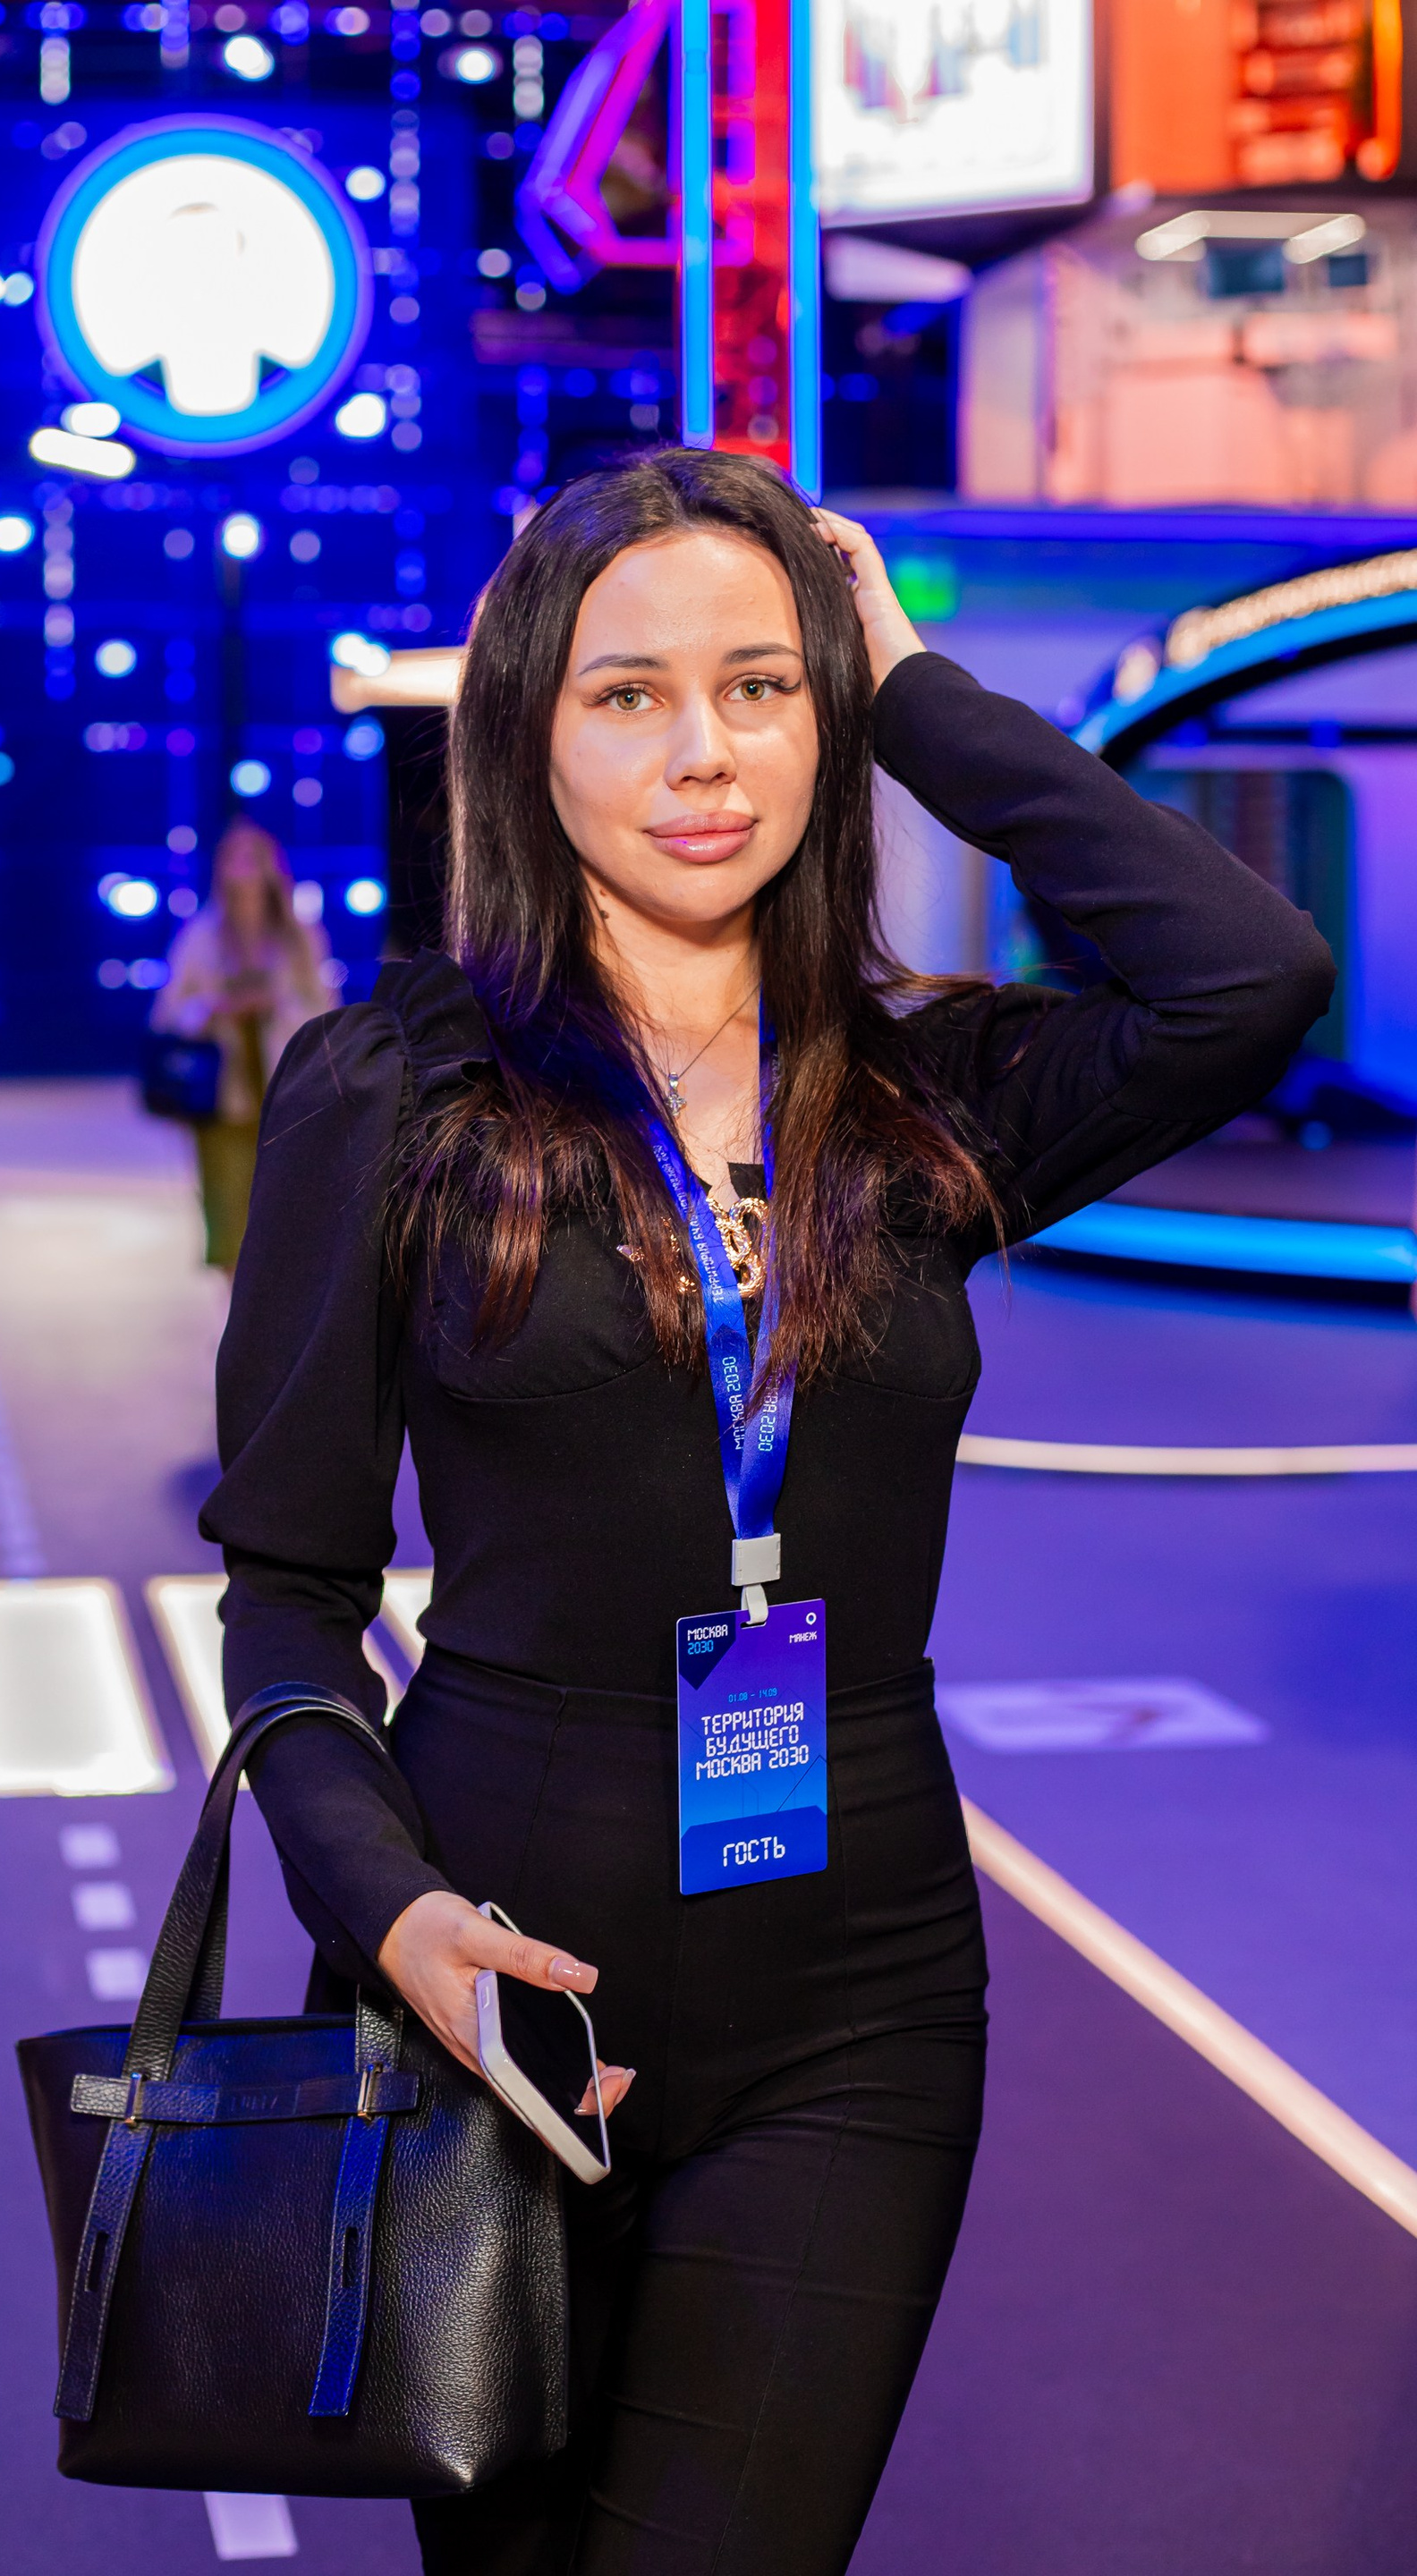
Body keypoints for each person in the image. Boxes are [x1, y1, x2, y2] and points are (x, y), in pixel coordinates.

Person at [202, 451, 1334, 2574]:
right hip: (499, 1984)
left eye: (760, 685)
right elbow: (287, 1586)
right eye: (627, 695)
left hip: (859, 2000)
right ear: (527, 737)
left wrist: (911, 683)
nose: (704, 754)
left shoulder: (925, 1096)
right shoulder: (397, 1091)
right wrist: (392, 1919)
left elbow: (1246, 971)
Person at [151, 818, 332, 1273]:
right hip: (221, 1098)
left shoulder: (298, 936)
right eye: (235, 857)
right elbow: (169, 1013)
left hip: (286, 1095)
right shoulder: (202, 935)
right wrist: (215, 1010)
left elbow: (325, 1011)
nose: (246, 868)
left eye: (255, 857)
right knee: (229, 1219)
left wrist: (275, 1004)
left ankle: (272, 1310)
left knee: (285, 1217)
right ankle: (236, 1309)